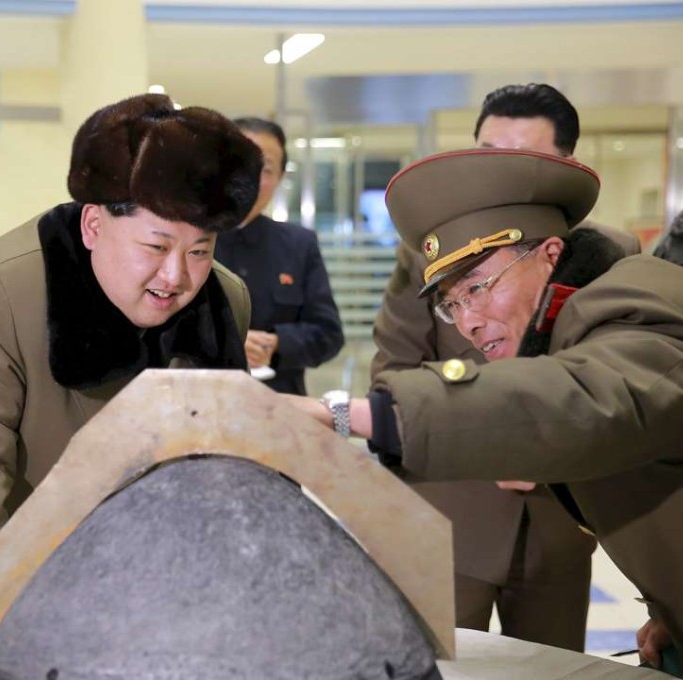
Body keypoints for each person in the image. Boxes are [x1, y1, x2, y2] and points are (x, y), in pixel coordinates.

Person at [0, 93, 263, 671]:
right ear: (94, 224)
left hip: (101, 571)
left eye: (200, 250)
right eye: (156, 247)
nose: (177, 275)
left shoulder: (225, 300)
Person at [291, 148, 683, 675]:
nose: (468, 323)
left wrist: (347, 415)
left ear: (548, 254)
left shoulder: (639, 306)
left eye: (478, 287)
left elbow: (586, 398)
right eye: (452, 305)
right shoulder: (563, 332)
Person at [371, 83, 640, 651]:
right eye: (488, 153)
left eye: (526, 160)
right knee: (440, 663)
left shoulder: (608, 255)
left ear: (565, 166)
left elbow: (621, 394)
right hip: (451, 517)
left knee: (554, 664)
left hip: (562, 526)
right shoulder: (427, 251)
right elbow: (394, 371)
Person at [214, 117, 344, 395]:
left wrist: (276, 343)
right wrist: (226, 341)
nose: (250, 177)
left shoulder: (300, 244)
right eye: (240, 163)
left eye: (265, 168)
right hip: (199, 405)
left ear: (280, 179)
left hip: (281, 403)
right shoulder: (185, 239)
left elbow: (329, 335)